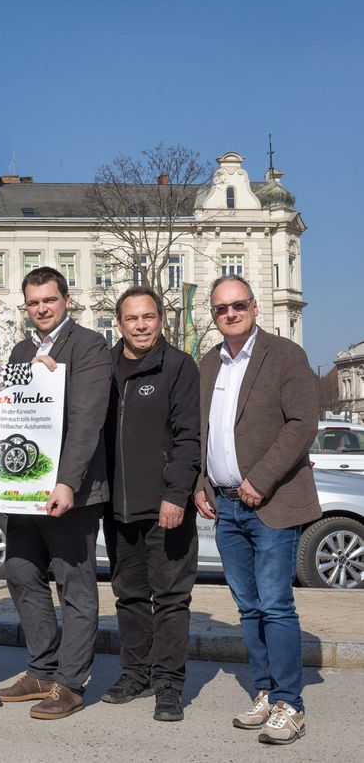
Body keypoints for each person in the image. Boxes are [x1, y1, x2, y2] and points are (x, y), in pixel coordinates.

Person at [195, 275, 319, 746]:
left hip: (272, 503)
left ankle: (291, 703)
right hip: (226, 508)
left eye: (238, 305)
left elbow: (302, 423)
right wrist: (200, 484)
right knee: (248, 608)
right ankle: (265, 692)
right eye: (222, 309)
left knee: (276, 606)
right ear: (213, 315)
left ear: (255, 307)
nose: (230, 314)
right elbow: (205, 435)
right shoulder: (208, 364)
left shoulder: (285, 356)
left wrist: (260, 479)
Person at [0, 266, 111, 720]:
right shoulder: (23, 349)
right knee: (21, 572)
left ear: (66, 300)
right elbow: (12, 417)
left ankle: (71, 682)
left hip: (71, 491)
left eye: (49, 300)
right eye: (34, 302)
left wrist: (66, 481)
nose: (42, 308)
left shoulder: (88, 345)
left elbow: (87, 418)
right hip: (25, 492)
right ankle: (42, 668)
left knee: (74, 585)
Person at [101, 287, 200, 721]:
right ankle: (135, 674)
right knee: (129, 597)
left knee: (172, 599)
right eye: (132, 318)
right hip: (116, 506)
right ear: (119, 322)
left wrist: (175, 495)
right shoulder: (102, 368)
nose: (141, 325)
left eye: (148, 317)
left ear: (160, 319)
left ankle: (168, 686)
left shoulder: (178, 366)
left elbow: (188, 437)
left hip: (165, 506)